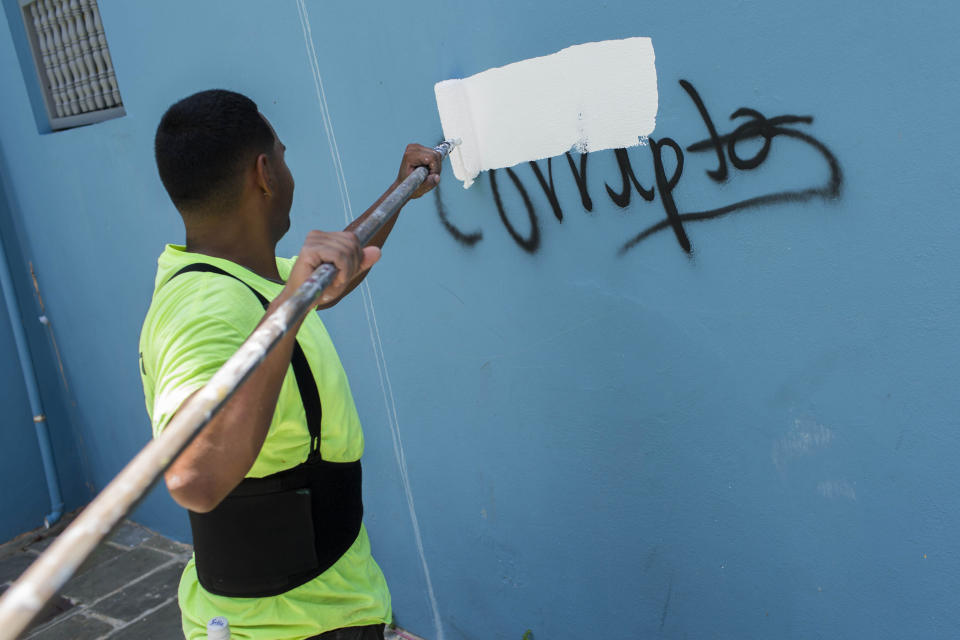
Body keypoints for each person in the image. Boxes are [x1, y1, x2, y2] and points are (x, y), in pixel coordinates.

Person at [139, 89, 441, 640]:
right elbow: (192, 477)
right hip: (286, 627)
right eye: (283, 154)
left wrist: (399, 192)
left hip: (325, 606)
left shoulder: (238, 275)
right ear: (264, 173)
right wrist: (288, 303)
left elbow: (325, 283)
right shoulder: (204, 309)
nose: (287, 168)